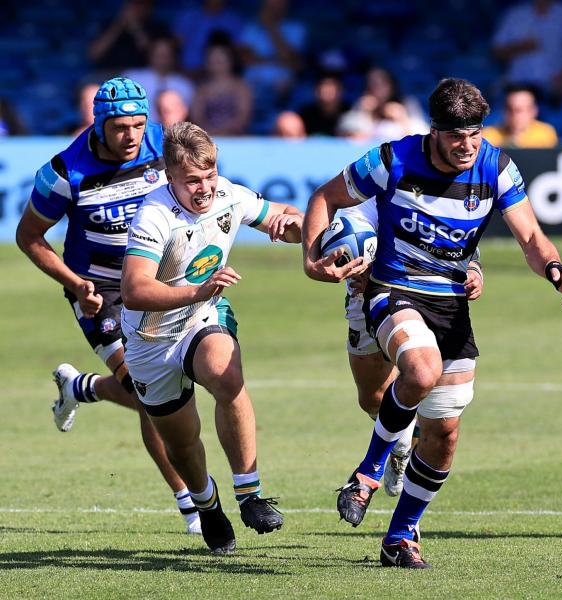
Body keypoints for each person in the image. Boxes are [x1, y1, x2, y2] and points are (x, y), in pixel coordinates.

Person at [302, 77, 562, 568]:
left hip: (452, 304)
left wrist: (555, 267)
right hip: (392, 288)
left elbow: (532, 238)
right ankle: (367, 472)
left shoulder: (497, 166)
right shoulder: (391, 160)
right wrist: (311, 259)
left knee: (444, 433)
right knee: (419, 373)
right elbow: (324, 197)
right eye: (457, 136)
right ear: (433, 131)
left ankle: (401, 536)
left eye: (475, 134)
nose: (468, 146)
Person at [15, 76, 200, 534]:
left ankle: (82, 388)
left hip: (159, 283)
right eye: (120, 127)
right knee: (149, 397)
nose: (132, 136)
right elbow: (29, 237)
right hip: (100, 296)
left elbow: (203, 184)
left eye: (139, 124)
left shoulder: (165, 145)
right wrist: (76, 283)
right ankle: (190, 503)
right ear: (98, 124)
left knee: (172, 388)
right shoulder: (63, 172)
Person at [120, 121, 299, 554]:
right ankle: (207, 503)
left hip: (202, 316)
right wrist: (197, 290)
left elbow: (283, 217)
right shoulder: (154, 214)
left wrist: (290, 228)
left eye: (209, 175)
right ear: (170, 177)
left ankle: (250, 493)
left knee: (225, 372)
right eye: (192, 180)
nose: (204, 188)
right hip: (150, 340)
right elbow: (134, 289)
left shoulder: (229, 195)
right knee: (182, 444)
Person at [333, 200, 485, 500]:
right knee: (372, 398)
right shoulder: (363, 203)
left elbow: (463, 241)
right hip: (366, 301)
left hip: (425, 298)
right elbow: (340, 244)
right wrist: (348, 263)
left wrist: (474, 270)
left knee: (420, 374)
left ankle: (388, 475)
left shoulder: (437, 192)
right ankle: (402, 443)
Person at [491, 0, 562, 106]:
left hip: (555, 89)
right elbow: (495, 51)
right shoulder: (515, 14)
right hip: (518, 86)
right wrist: (520, 47)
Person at [191, 40, 254, 136]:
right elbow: (197, 117)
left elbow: (243, 117)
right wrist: (211, 132)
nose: (217, 60)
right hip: (207, 139)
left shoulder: (241, 87)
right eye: (212, 57)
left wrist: (224, 131)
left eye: (221, 56)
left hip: (236, 138)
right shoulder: (201, 89)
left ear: (231, 60)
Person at [124, 35, 195, 108]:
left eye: (167, 54)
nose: (162, 58)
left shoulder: (185, 85)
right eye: (158, 53)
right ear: (149, 54)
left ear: (174, 56)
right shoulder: (132, 79)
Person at [482, 84, 558, 148]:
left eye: (519, 110)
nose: (514, 114)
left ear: (533, 111)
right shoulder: (489, 136)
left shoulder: (545, 134)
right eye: (509, 109)